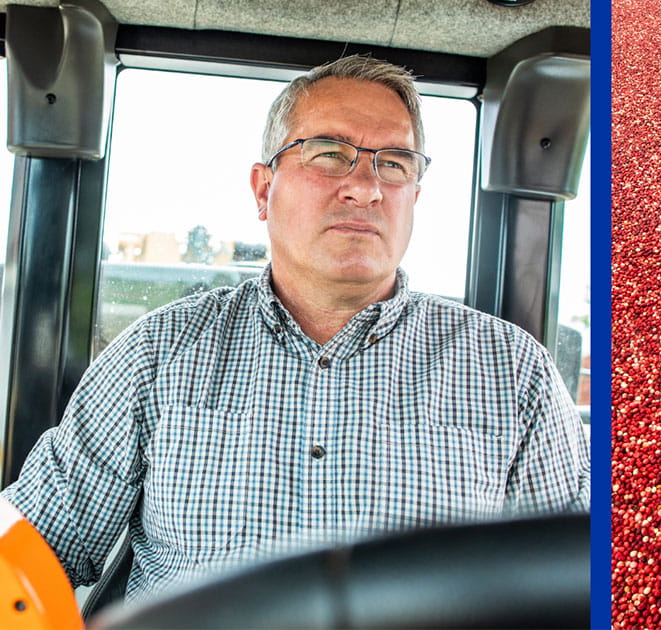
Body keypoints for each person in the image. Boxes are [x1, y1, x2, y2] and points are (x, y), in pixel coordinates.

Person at [0, 55, 590, 600]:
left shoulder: (513, 370)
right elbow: (28, 551)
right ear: (264, 189)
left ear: (414, 195)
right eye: (329, 153)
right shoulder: (157, 354)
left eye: (394, 163)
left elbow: (575, 582)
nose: (366, 187)